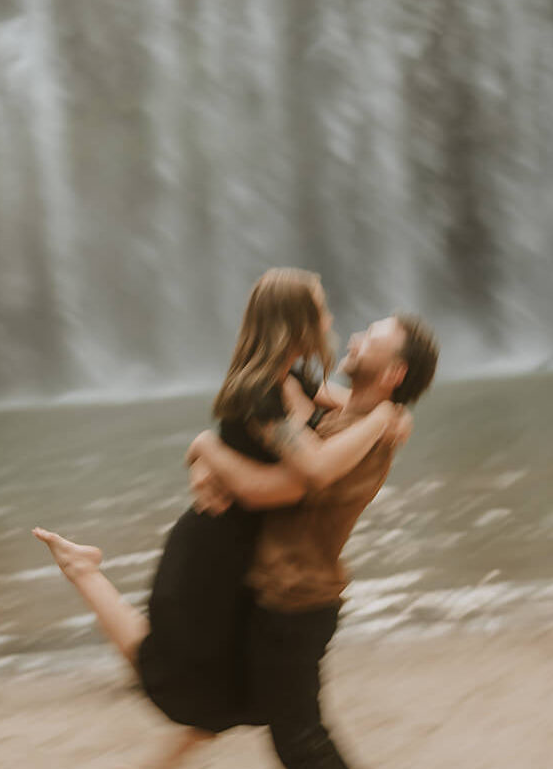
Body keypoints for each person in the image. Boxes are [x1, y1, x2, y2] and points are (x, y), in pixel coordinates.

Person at [33, 268, 403, 767]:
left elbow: (349, 406)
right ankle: (82, 569)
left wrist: (392, 411)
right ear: (297, 323)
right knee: (168, 666)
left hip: (253, 552)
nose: (331, 319)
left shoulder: (298, 380)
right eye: (322, 310)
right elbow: (285, 481)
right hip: (212, 551)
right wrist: (203, 446)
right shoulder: (258, 393)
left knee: (231, 684)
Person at [187, 312, 439, 768]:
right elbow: (328, 401)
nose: (357, 336)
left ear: (392, 373)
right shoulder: (360, 418)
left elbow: (264, 491)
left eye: (372, 337)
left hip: (295, 602)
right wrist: (389, 410)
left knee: (299, 739)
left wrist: (205, 448)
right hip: (285, 596)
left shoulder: (356, 446)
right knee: (282, 726)